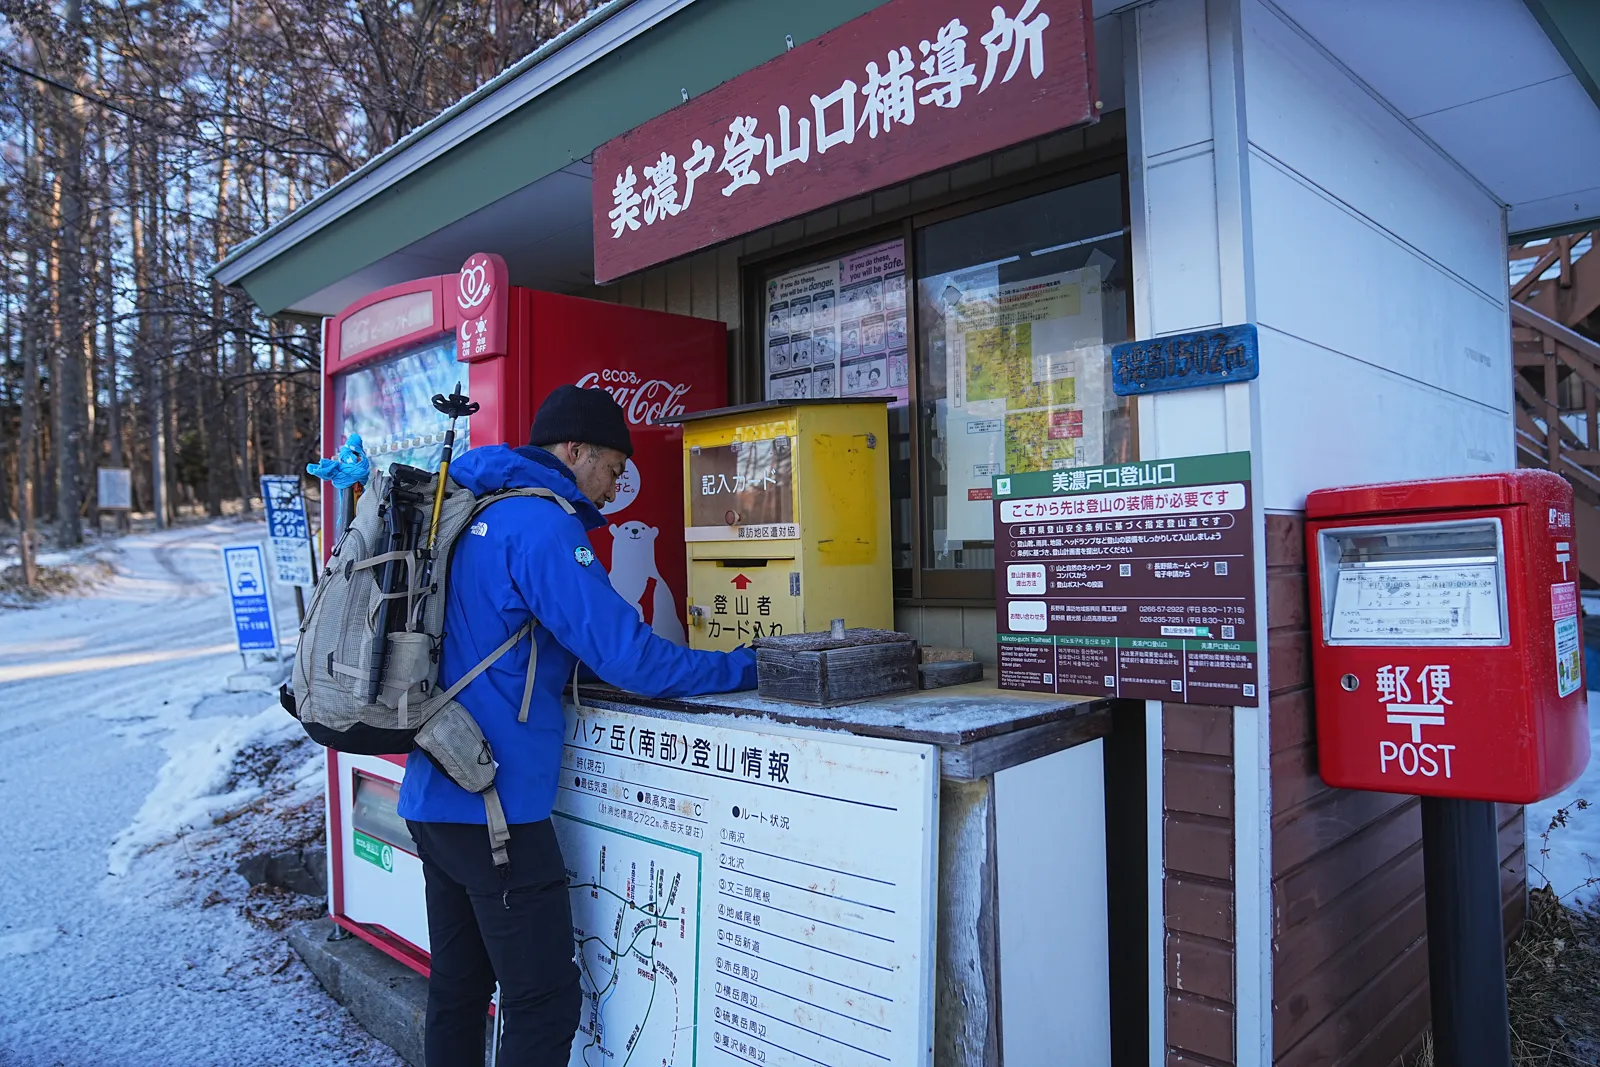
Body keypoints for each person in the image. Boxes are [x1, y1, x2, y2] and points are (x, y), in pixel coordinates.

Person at [397, 385, 757, 1067]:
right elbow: (633, 658)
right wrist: (745, 668)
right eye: (614, 466)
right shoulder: (541, 524)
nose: (618, 483)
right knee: (544, 1002)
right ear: (574, 450)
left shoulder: (474, 507)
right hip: (494, 809)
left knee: (460, 991)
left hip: (434, 791)